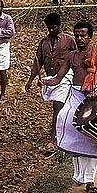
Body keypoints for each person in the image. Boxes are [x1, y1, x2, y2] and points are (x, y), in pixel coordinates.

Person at [42, 20, 97, 193]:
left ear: (90, 36)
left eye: (83, 35)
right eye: (77, 35)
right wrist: (45, 81)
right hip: (75, 95)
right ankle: (78, 174)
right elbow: (58, 79)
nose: (80, 38)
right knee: (69, 127)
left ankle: (90, 181)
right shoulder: (71, 56)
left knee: (93, 138)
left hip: (93, 98)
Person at [25, 13, 76, 155]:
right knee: (61, 108)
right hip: (50, 79)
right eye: (49, 28)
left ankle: (53, 139)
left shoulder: (69, 40)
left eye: (54, 27)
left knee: (58, 106)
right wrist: (30, 80)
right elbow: (38, 62)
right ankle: (63, 133)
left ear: (59, 26)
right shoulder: (44, 43)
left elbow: (78, 57)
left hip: (66, 78)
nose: (51, 30)